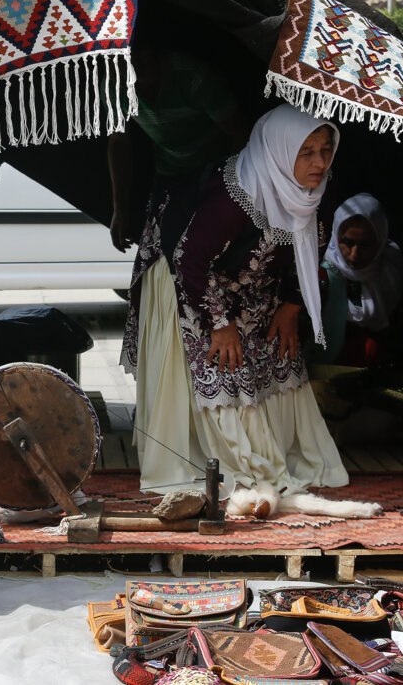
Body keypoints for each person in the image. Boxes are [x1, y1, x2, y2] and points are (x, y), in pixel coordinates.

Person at [123, 103, 349, 504]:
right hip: (185, 270)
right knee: (221, 360)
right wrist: (221, 324)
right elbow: (190, 261)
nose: (320, 162)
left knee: (279, 352)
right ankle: (221, 462)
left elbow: (313, 251)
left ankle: (272, 454)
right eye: (307, 152)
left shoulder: (320, 191)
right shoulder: (234, 197)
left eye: (326, 149)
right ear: (279, 151)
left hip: (250, 276)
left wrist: (292, 308)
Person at [312, 193, 403, 367]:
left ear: (380, 240)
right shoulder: (321, 275)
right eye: (347, 243)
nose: (354, 254)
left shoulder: (391, 270)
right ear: (335, 237)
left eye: (364, 245)